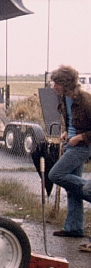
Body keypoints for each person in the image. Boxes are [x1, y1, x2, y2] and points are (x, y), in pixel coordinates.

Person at [47, 65, 91, 238]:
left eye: (56, 83)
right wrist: (67, 132)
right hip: (71, 144)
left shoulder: (86, 101)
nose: (53, 87)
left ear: (66, 84)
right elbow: (72, 120)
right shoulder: (65, 98)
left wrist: (79, 137)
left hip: (82, 146)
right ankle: (74, 228)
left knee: (55, 175)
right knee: (71, 189)